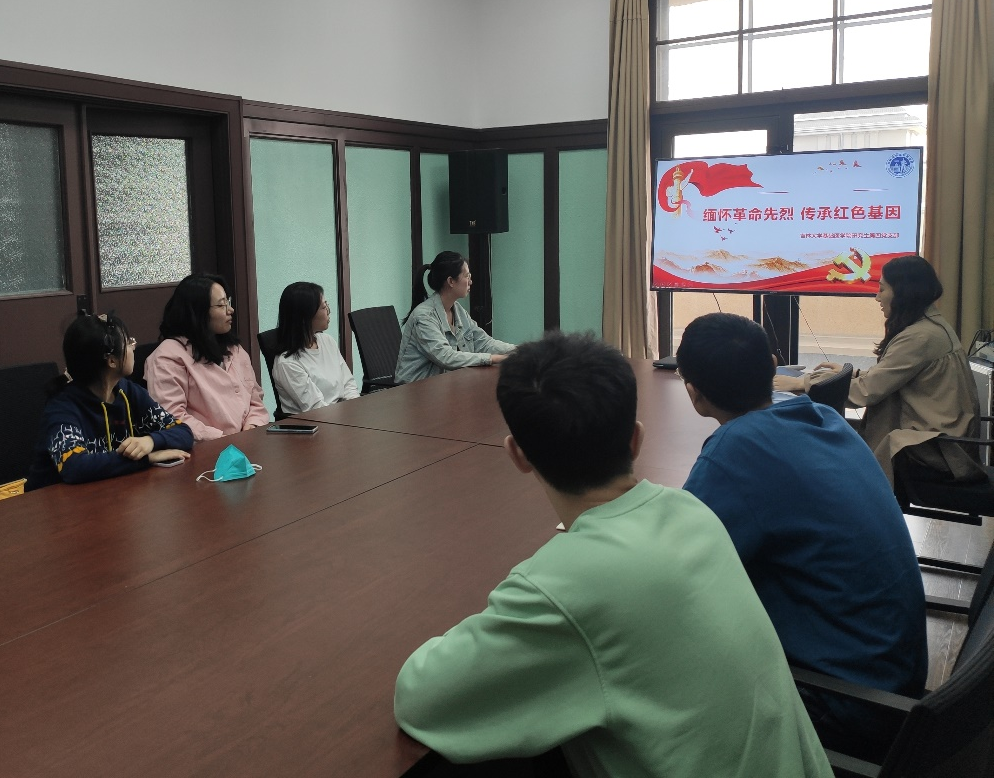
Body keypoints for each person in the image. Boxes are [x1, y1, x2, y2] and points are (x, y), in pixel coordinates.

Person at [394, 332, 832, 777]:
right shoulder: (693, 511)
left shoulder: (562, 587)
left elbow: (420, 698)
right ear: (636, 440)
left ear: (517, 455)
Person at [678, 313, 926, 759]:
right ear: (774, 366)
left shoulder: (738, 450)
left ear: (693, 395)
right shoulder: (823, 418)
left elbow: (677, 574)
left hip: (843, 703)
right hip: (894, 680)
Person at [775, 254, 982, 483]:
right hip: (941, 437)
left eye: (882, 289)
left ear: (903, 293)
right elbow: (894, 377)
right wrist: (852, 374)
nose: (877, 297)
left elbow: (866, 392)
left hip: (934, 448)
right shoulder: (930, 326)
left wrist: (801, 383)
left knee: (824, 453)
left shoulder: (919, 337)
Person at [28, 313, 193, 488]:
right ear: (112, 361)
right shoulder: (62, 407)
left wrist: (150, 441)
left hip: (108, 490)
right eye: (128, 342)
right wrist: (147, 458)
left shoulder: (128, 391)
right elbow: (74, 467)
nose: (134, 347)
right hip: (52, 499)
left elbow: (183, 432)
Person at [145, 274, 271, 439]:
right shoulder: (167, 357)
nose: (230, 310)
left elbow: (255, 400)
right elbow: (172, 417)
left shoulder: (234, 348)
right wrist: (221, 439)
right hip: (205, 447)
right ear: (197, 312)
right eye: (221, 305)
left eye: (228, 302)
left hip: (248, 441)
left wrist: (252, 426)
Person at [394, 251, 514, 384]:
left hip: (442, 386)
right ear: (451, 281)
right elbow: (446, 357)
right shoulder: (424, 316)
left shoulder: (458, 310)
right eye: (467, 276)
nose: (471, 282)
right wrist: (494, 358)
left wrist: (519, 350)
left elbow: (483, 342)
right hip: (415, 390)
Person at [271, 282, 359, 415]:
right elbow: (316, 408)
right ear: (305, 317)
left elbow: (348, 384)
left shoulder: (327, 341)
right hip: (317, 422)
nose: (328, 311)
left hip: (343, 416)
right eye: (323, 307)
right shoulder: (287, 363)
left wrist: (356, 410)